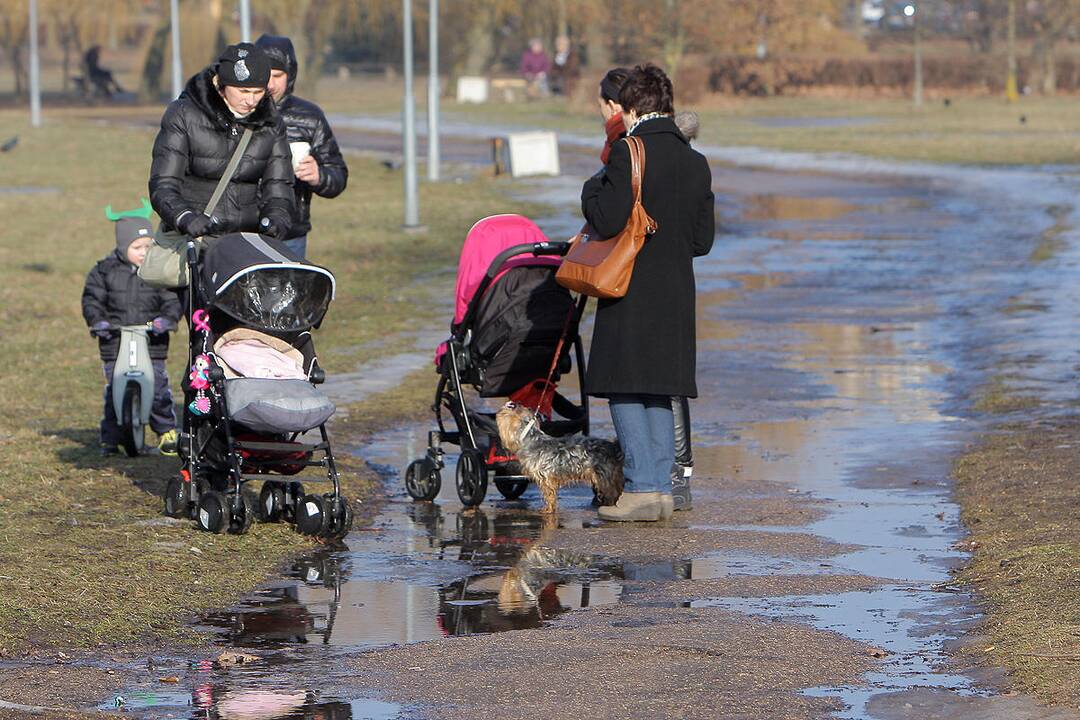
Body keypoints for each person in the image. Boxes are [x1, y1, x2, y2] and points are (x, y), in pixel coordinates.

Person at [581, 64, 715, 522]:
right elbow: (703, 241)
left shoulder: (629, 153)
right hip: (677, 292)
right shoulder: (696, 162)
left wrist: (589, 191)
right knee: (659, 390)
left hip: (631, 288)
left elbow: (606, 219)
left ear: (632, 107)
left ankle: (641, 489)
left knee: (624, 387)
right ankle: (658, 489)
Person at [149, 42, 294, 248]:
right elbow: (163, 184)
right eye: (243, 91)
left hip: (246, 242)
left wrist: (277, 218)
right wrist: (184, 216)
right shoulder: (183, 115)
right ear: (221, 85)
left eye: (258, 92)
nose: (251, 100)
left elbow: (279, 186)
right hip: (194, 240)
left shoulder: (271, 123)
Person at [82, 217, 181, 456]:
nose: (144, 252)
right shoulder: (104, 270)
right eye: (137, 247)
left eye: (149, 246)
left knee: (157, 387)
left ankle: (166, 431)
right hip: (115, 342)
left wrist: (167, 319)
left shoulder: (158, 272)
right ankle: (111, 439)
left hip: (150, 342)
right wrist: (98, 322)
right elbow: (92, 300)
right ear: (122, 246)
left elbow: (171, 300)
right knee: (115, 390)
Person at [255, 35, 349, 259]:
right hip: (240, 229)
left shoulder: (310, 116)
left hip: (291, 233)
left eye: (277, 76)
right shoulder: (239, 111)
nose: (270, 84)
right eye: (265, 75)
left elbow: (338, 174)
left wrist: (319, 176)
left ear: (290, 75)